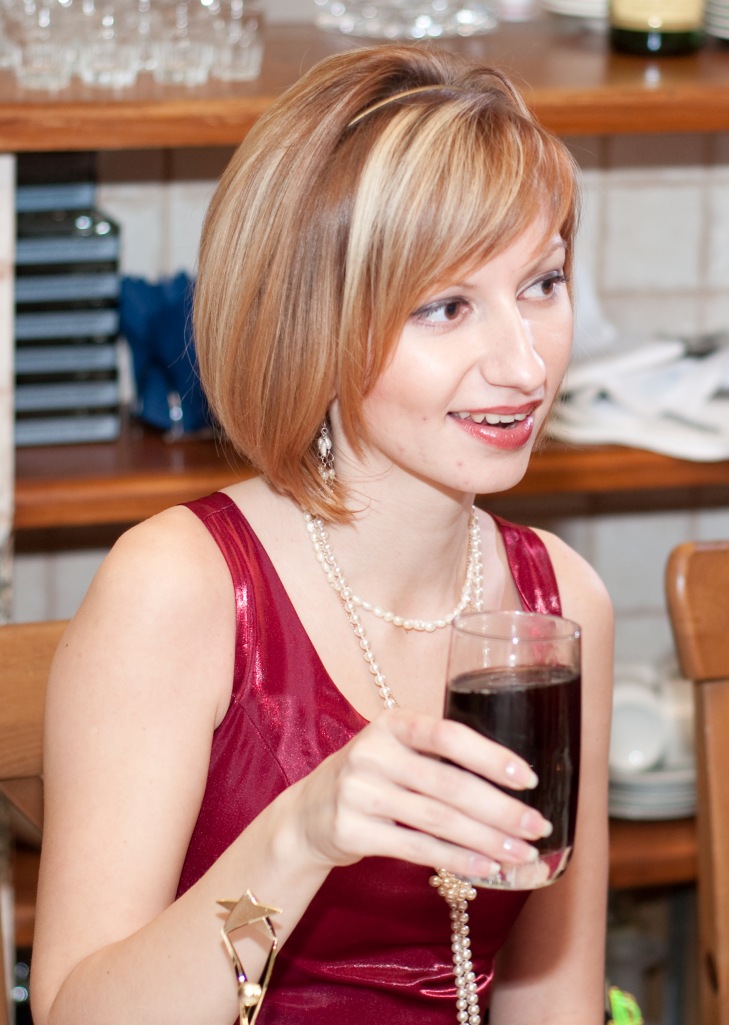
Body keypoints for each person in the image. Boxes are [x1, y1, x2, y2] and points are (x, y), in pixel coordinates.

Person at [30, 42, 613, 1025]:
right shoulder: (179, 587)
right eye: (447, 306)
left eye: (542, 283)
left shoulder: (562, 603)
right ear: (315, 320)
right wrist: (298, 836)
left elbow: (552, 995)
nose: (524, 364)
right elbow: (78, 1012)